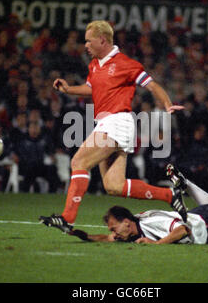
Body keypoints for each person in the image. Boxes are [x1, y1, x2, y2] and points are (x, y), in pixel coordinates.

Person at [40, 20, 186, 232]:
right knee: (114, 186)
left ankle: (67, 218)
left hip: (117, 122)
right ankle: (169, 195)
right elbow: (92, 89)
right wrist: (69, 89)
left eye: (89, 41)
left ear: (102, 40)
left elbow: (152, 85)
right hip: (107, 122)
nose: (86, 46)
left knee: (79, 162)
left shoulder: (126, 64)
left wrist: (167, 104)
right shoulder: (94, 65)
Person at [51, 158, 208, 245]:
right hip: (201, 213)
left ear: (126, 222)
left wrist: (157, 245)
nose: (114, 233)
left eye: (114, 227)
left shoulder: (150, 224)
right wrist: (73, 232)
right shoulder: (131, 229)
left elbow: (181, 230)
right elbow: (101, 238)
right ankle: (183, 183)